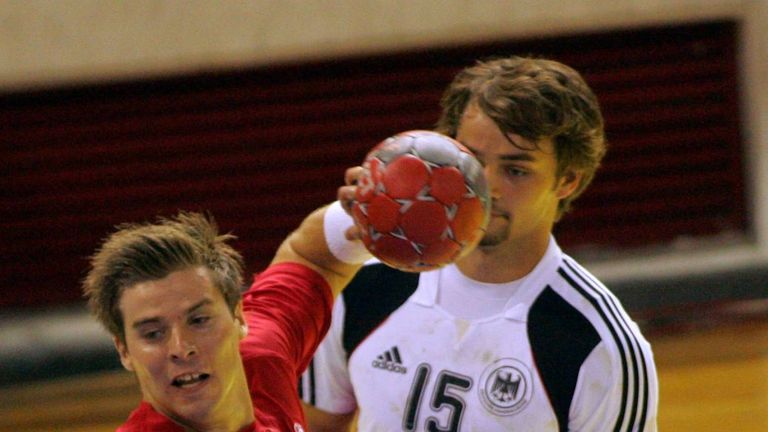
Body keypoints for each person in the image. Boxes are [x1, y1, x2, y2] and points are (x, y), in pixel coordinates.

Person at [300, 56, 659, 431]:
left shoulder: (599, 343)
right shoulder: (362, 286)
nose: (485, 187)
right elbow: (314, 424)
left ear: (568, 180)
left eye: (515, 170)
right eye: (472, 160)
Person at [82, 206, 364, 431]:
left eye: (198, 320)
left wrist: (368, 202)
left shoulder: (263, 359)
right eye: (153, 334)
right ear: (124, 351)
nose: (181, 348)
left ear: (238, 318)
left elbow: (314, 256)